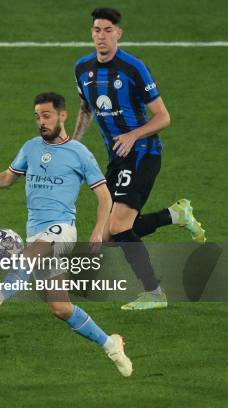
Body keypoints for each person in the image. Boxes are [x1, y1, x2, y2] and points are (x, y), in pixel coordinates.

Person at [0, 92, 132, 377]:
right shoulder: (30, 148)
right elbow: (10, 176)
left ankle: (0, 295)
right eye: (37, 116)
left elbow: (105, 197)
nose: (41, 122)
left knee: (31, 255)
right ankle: (111, 343)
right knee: (60, 308)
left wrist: (97, 228)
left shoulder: (79, 154)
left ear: (62, 116)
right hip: (37, 235)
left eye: (46, 115)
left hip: (62, 231)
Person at [72, 7, 206, 310]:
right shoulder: (82, 69)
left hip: (144, 153)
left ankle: (154, 292)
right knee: (108, 236)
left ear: (119, 33)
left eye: (108, 30)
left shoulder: (133, 68)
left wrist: (133, 135)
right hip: (117, 158)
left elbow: (163, 117)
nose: (101, 36)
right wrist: (74, 144)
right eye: (96, 30)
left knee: (119, 226)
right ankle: (175, 215)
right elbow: (85, 108)